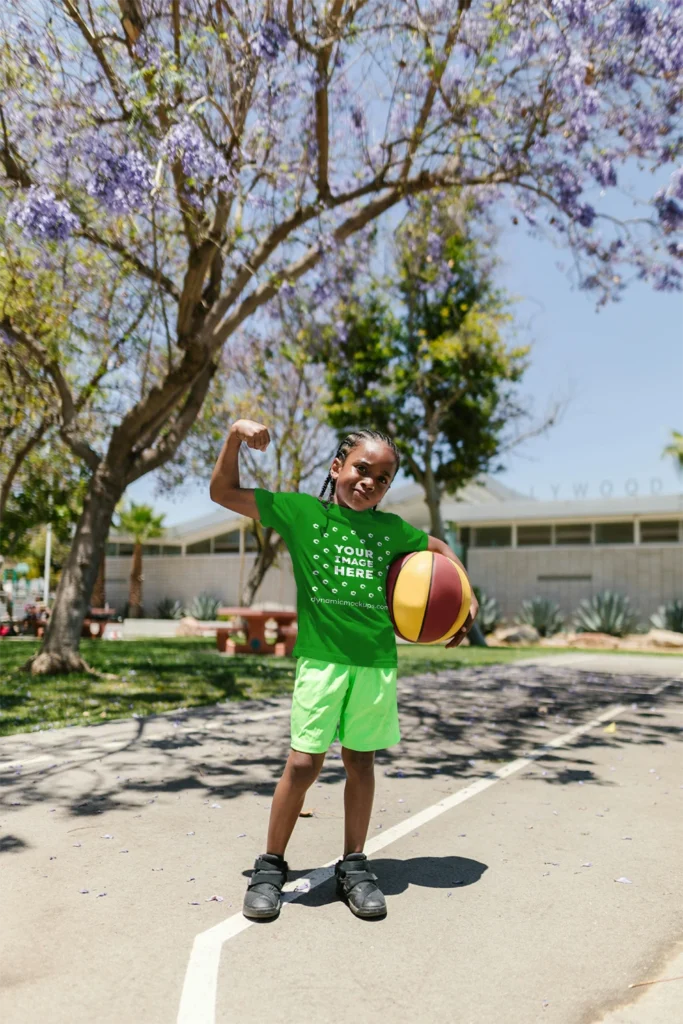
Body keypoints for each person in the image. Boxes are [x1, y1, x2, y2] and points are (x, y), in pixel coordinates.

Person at [209, 419, 478, 921]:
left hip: (375, 665)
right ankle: (271, 866)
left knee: (360, 762)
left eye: (383, 477)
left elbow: (439, 551)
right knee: (304, 764)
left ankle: (353, 865)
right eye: (361, 469)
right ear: (337, 467)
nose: (369, 482)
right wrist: (233, 437)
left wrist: (465, 599)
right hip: (321, 662)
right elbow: (222, 491)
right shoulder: (301, 512)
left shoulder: (394, 531)